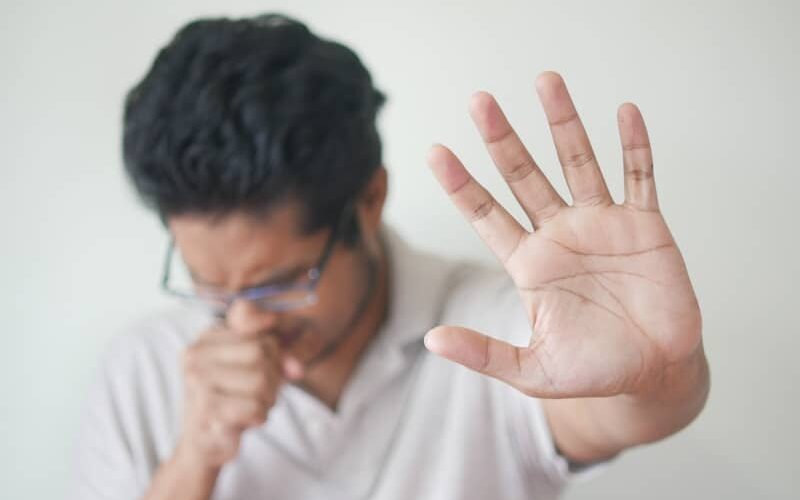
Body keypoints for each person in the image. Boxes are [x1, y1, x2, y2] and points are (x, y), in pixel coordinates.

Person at [71, 13, 709, 500]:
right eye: (210, 287)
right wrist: (193, 462)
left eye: (284, 281)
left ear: (370, 200)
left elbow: (617, 408)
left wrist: (658, 375)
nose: (244, 322)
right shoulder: (140, 371)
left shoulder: (501, 323)